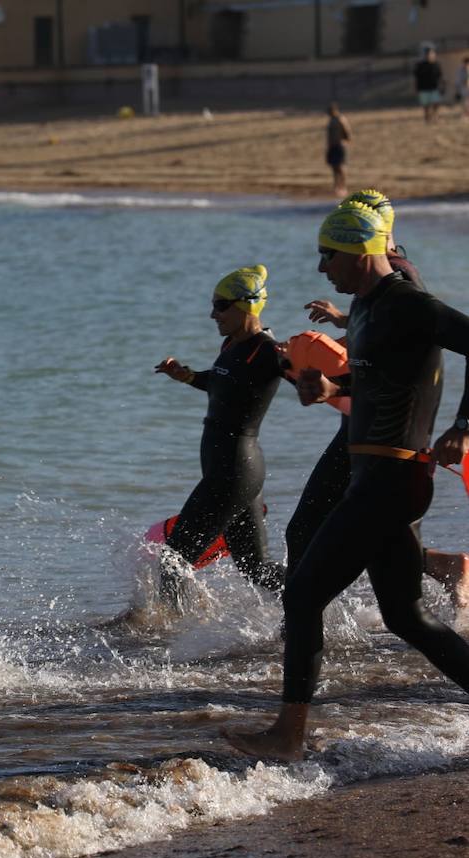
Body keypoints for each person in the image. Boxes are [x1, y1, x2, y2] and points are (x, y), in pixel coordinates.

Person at [226, 202, 469, 761]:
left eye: (327, 254)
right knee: (407, 616)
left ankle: (287, 737)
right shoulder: (364, 308)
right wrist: (329, 391)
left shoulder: (410, 303)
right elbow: (374, 379)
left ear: (360, 252)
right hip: (375, 475)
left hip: (394, 477)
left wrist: (462, 426)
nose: (319, 268)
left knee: (305, 591)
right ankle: (287, 734)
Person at [286, 189, 469, 609]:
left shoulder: (400, 278)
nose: (325, 264)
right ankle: (438, 575)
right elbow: (381, 341)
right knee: (385, 555)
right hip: (370, 425)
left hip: (383, 432)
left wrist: (462, 427)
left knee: (310, 530)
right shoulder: (374, 282)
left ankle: (296, 624)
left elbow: (410, 340)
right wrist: (333, 359)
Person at [152, 266, 287, 611]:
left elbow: (312, 386)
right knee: (255, 568)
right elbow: (220, 381)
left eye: (221, 305)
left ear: (248, 306)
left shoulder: (268, 352)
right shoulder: (231, 345)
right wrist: (187, 376)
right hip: (232, 470)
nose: (213, 313)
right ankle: (315, 602)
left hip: (235, 470)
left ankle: (167, 637)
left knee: (173, 558)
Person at [324, 102, 352, 197]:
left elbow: (347, 132)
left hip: (340, 145)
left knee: (341, 167)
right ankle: (336, 187)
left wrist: (345, 142)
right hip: (332, 146)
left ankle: (343, 187)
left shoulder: (341, 119)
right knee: (334, 167)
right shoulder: (331, 121)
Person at [414, 46, 444, 124]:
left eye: (431, 53)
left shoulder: (437, 64)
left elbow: (440, 76)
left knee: (436, 103)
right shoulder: (420, 65)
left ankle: (435, 116)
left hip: (435, 87)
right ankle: (427, 118)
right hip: (423, 88)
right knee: (426, 105)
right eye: (428, 54)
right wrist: (416, 88)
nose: (430, 55)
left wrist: (442, 86)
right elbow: (416, 77)